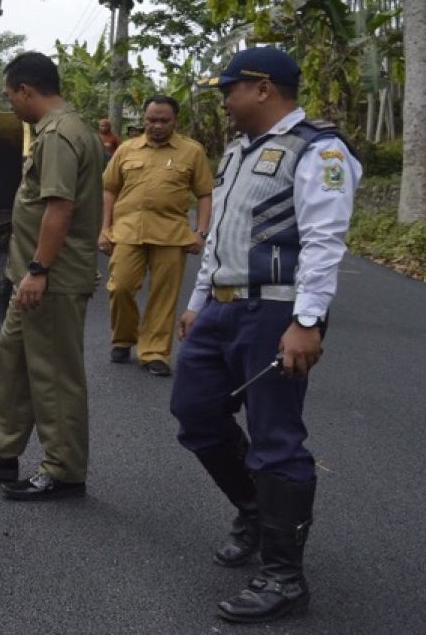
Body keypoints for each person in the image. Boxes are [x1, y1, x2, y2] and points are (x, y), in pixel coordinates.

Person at [171, 47, 360, 623]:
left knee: (276, 437)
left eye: (230, 89)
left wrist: (306, 322)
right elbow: (222, 232)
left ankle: (284, 577)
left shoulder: (318, 150)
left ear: (263, 88)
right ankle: (255, 509)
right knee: (196, 413)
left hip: (276, 312)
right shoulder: (238, 152)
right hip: (223, 311)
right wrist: (199, 301)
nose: (224, 100)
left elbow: (325, 241)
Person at [0, 51, 102, 501]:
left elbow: (60, 206)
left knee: (53, 375)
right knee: (12, 364)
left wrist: (41, 270)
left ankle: (64, 471)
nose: (11, 105)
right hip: (32, 276)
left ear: (27, 90)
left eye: (11, 96)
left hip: (49, 278)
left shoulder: (60, 134)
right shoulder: (54, 130)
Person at [99, 95, 213, 377]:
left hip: (171, 234)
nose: (157, 126)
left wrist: (200, 231)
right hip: (127, 231)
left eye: (164, 121)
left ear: (175, 121)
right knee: (120, 286)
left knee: (164, 296)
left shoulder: (192, 151)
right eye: (151, 120)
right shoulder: (126, 149)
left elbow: (205, 194)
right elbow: (110, 189)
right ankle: (124, 338)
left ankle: (155, 352)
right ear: (144, 118)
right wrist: (105, 228)